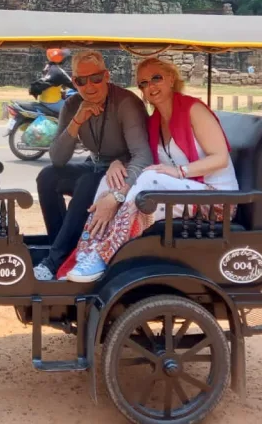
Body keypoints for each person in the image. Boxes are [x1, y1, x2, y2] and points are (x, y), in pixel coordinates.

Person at [65, 56, 238, 282]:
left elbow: (221, 158)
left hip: (216, 200)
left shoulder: (193, 109)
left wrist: (180, 171)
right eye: (143, 84)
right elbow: (143, 160)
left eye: (156, 78)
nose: (150, 87)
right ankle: (87, 250)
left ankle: (103, 255)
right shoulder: (155, 120)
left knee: (149, 179)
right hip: (185, 193)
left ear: (171, 79)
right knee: (113, 180)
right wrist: (117, 165)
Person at [34, 50, 151, 281]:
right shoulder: (72, 105)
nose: (89, 86)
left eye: (95, 78)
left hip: (123, 171)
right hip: (96, 166)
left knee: (88, 182)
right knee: (47, 177)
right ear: (73, 81)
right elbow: (58, 158)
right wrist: (78, 120)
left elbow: (143, 155)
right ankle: (61, 249)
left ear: (106, 76)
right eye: (80, 80)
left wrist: (118, 192)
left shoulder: (125, 103)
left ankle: (54, 260)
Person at [29, 48, 74, 113]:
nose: (64, 58)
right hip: (53, 103)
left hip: (44, 100)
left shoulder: (47, 67)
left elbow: (51, 84)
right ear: (59, 58)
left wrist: (61, 91)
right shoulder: (59, 72)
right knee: (75, 110)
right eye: (63, 56)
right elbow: (73, 84)